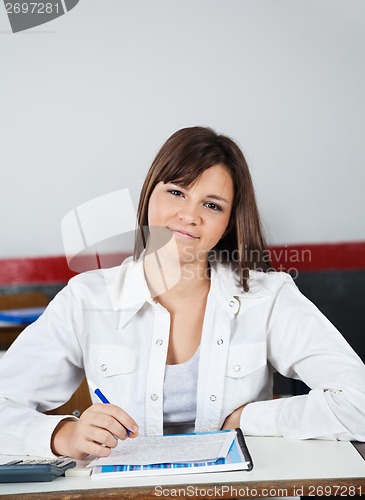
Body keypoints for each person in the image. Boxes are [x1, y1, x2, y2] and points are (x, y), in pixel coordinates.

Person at [0, 126, 364, 460]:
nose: (189, 216)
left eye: (211, 205)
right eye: (176, 192)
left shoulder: (268, 295)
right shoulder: (86, 298)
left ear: (227, 224)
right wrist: (62, 434)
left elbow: (359, 402)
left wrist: (252, 418)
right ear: (148, 197)